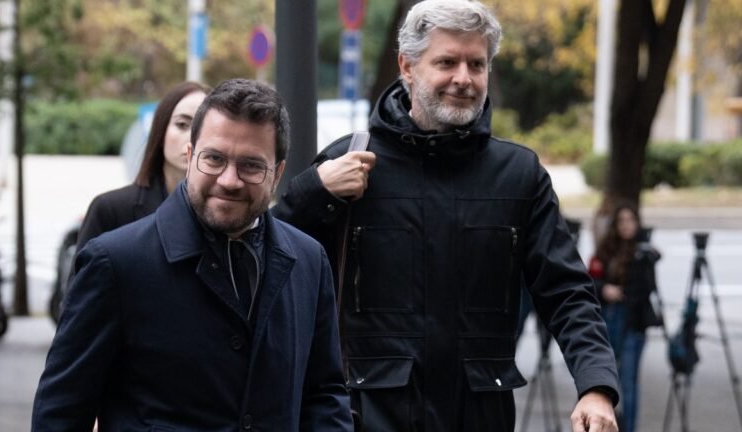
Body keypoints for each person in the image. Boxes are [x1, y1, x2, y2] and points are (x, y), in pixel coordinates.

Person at [273, 1, 620, 430]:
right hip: (369, 417)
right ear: (407, 66)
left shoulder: (518, 175)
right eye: (447, 62)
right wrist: (314, 190)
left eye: (477, 64)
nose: (463, 78)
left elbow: (567, 292)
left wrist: (597, 386)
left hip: (478, 418)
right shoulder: (348, 164)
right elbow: (274, 263)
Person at [33, 79, 353, 431]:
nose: (229, 180)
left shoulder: (309, 262)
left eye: (251, 165)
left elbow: (324, 396)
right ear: (190, 157)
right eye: (214, 159)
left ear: (277, 174)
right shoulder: (116, 263)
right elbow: (61, 412)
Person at [75, 81, 210, 250]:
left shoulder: (220, 211)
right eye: (182, 124)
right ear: (161, 131)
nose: (191, 139)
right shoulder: (110, 209)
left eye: (202, 128)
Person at [589, 204, 662, 432]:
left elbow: (648, 289)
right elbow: (589, 281)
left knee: (628, 381)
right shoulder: (606, 250)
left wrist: (646, 257)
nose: (626, 225)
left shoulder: (643, 252)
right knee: (603, 379)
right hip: (608, 318)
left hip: (633, 323)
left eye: (631, 220)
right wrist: (605, 289)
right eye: (622, 220)